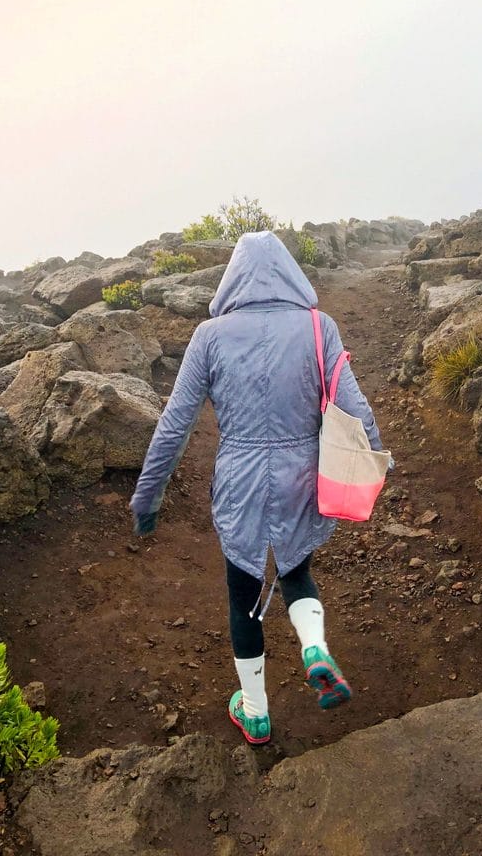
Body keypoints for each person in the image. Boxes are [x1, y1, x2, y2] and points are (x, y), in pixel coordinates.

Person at [129, 230, 386, 745]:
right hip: (302, 474)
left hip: (240, 478)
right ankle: (314, 646)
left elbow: (175, 423)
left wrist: (148, 496)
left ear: (233, 278)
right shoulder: (320, 326)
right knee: (296, 570)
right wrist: (376, 465)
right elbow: (356, 409)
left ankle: (256, 713)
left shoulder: (210, 335)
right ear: (290, 271)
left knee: (242, 592)